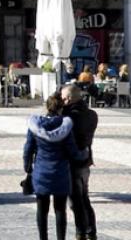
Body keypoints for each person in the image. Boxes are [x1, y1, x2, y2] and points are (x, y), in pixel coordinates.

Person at [26, 93, 86, 240]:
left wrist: (27, 167)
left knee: (42, 210)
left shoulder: (35, 125)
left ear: (47, 107)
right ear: (61, 108)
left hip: (41, 172)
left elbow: (28, 148)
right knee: (60, 210)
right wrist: (84, 154)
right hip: (60, 173)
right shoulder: (65, 126)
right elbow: (73, 151)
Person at [61, 83, 98, 240]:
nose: (61, 101)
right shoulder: (92, 114)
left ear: (69, 99)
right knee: (84, 197)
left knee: (76, 201)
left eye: (63, 99)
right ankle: (91, 230)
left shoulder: (69, 118)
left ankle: (81, 232)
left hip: (72, 162)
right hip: (86, 160)